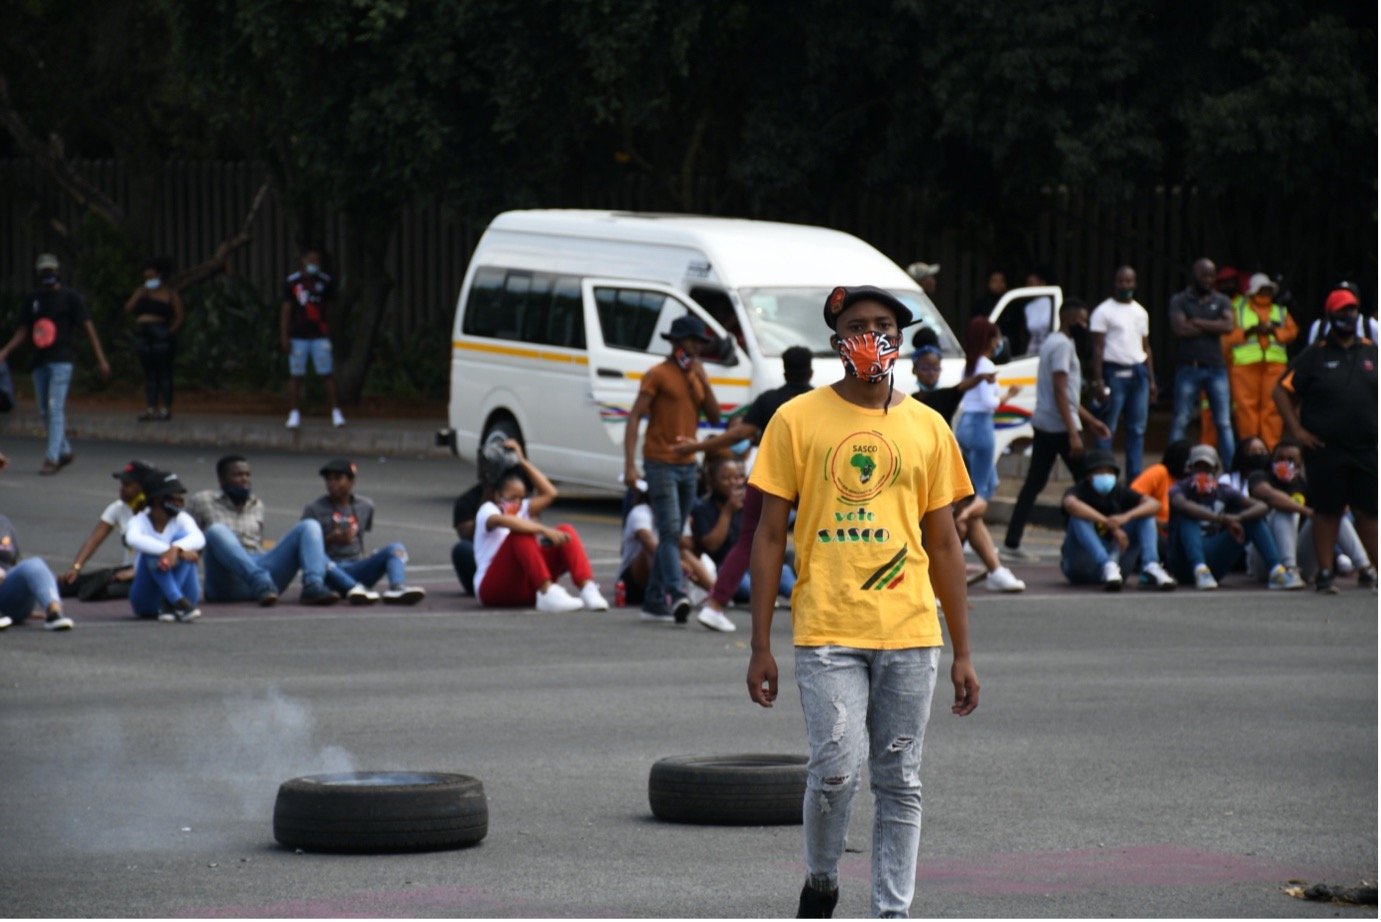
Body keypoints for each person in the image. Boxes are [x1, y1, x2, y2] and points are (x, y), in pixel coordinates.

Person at [746, 285, 978, 919]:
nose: (870, 337)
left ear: (899, 340)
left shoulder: (928, 426)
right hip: (827, 630)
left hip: (910, 632)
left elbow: (946, 544)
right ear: (836, 341)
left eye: (883, 325)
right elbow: (769, 535)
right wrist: (759, 643)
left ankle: (892, 910)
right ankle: (821, 883)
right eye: (856, 326)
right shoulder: (795, 419)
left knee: (900, 781)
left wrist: (963, 651)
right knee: (835, 769)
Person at [669, 346, 815, 631]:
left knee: (748, 541)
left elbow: (738, 434)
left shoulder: (770, 400)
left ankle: (715, 605)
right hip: (810, 483)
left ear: (784, 371)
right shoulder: (819, 401)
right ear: (810, 371)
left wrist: (696, 446)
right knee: (825, 539)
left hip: (767, 479)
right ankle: (820, 611)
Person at [1273, 287, 1378, 594]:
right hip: (1325, 447)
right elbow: (1281, 390)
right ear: (1331, 315)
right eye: (1342, 311)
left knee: (1368, 512)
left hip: (1366, 446)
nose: (1348, 316)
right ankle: (1325, 574)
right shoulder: (1315, 354)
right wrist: (1298, 431)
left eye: (1352, 310)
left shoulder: (1372, 351)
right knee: (1327, 511)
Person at [622, 314, 721, 623]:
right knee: (669, 529)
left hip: (688, 465)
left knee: (673, 533)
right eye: (693, 341)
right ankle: (675, 592)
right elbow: (636, 415)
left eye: (701, 343)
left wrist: (702, 379)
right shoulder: (657, 374)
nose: (697, 348)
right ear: (678, 342)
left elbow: (716, 418)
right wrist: (629, 463)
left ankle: (653, 600)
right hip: (660, 461)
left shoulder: (695, 375)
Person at [912, 333, 1025, 593]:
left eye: (935, 368)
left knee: (970, 517)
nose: (930, 373)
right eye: (925, 368)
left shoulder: (945, 396)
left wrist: (983, 378)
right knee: (926, 525)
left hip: (944, 465)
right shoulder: (906, 400)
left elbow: (963, 386)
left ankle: (995, 570)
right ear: (915, 370)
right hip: (918, 468)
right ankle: (930, 586)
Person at [1002, 299, 1111, 561]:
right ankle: (1101, 537)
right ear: (1070, 319)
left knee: (1034, 484)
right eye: (1082, 321)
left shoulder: (1054, 341)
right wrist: (1074, 432)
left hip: (1046, 424)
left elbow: (1068, 395)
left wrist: (1091, 421)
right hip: (1060, 427)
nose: (1085, 326)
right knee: (1090, 481)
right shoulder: (1062, 345)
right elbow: (1061, 391)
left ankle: (1011, 542)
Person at [0, 253, 112, 475]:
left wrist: (101, 358)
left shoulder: (70, 298)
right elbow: (24, 330)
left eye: (50, 271)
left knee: (55, 407)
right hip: (40, 361)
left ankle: (52, 458)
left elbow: (88, 328)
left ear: (58, 272)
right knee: (44, 410)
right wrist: (5, 350)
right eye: (43, 271)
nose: (47, 275)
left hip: (61, 360)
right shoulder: (33, 300)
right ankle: (65, 450)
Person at [187, 454, 342, 606]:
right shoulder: (202, 501)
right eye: (238, 475)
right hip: (227, 580)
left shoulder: (257, 504)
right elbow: (184, 538)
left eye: (247, 475)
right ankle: (259, 580)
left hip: (264, 580)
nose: (244, 480)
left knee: (309, 525)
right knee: (216, 531)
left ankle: (313, 586)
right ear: (222, 479)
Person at [472, 443, 608, 612]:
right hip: (493, 588)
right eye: (512, 497)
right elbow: (507, 522)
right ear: (498, 495)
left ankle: (587, 588)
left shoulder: (522, 508)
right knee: (520, 534)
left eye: (521, 498)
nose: (517, 502)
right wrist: (543, 530)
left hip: (525, 587)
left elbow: (550, 493)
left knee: (566, 530)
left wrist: (522, 461)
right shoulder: (488, 509)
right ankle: (546, 592)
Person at [1235, 437, 1374, 587]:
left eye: (1291, 459)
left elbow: (1336, 505)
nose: (1285, 463)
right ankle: (1289, 569)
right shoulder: (1261, 477)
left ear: (1300, 464)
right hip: (1268, 563)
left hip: (1303, 560)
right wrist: (1306, 511)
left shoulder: (1307, 484)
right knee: (1287, 510)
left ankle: (1365, 569)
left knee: (1332, 514)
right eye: (1280, 458)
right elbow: (1268, 495)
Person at [1167, 445, 1301, 591]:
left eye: (1207, 468)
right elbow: (1182, 504)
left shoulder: (1223, 491)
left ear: (1216, 469)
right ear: (1190, 469)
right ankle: (1200, 569)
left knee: (1253, 519)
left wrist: (1239, 517)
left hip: (1213, 557)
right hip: (1182, 560)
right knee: (1187, 517)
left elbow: (1262, 506)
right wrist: (1221, 519)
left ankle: (1277, 572)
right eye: (1198, 468)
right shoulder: (1180, 488)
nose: (1203, 473)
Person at [302, 458, 426, 604]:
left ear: (351, 481)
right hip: (331, 571)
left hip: (358, 566)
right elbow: (306, 548)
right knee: (321, 559)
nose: (332, 484)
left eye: (337, 479)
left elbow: (361, 536)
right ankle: (354, 588)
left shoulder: (365, 506)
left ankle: (397, 587)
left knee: (397, 548)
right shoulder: (314, 509)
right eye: (328, 480)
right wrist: (331, 538)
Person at [687, 457, 795, 614]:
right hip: (722, 567)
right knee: (743, 580)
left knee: (782, 571)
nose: (733, 483)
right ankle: (762, 598)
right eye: (726, 478)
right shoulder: (703, 508)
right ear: (712, 481)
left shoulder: (748, 503)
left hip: (754, 563)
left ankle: (798, 599)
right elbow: (712, 545)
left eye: (737, 477)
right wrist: (728, 511)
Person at [1060, 449, 1177, 591]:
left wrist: (1125, 517)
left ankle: (1151, 565)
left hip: (1118, 565)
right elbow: (1070, 504)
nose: (1106, 476)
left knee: (1145, 514)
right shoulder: (1079, 491)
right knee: (1077, 518)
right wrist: (1110, 525)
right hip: (1081, 564)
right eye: (1100, 472)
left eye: (1109, 472)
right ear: (1089, 476)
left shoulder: (1119, 491)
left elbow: (1154, 504)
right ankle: (1106, 564)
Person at [1089, 265, 1157, 479]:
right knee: (1107, 428)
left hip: (1139, 374)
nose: (1125, 285)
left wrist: (1152, 380)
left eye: (1129, 281)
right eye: (1121, 281)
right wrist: (1098, 380)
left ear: (1135, 284)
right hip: (1113, 373)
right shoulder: (1103, 311)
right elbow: (1097, 348)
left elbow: (1146, 347)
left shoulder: (1141, 312)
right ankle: (1103, 474)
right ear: (1115, 283)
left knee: (1137, 429)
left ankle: (1134, 479)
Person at [1167, 258, 1236, 464]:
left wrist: (1196, 322)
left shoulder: (1222, 299)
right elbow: (1180, 329)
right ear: (1193, 274)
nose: (1208, 279)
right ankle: (1172, 466)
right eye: (1203, 274)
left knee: (1223, 422)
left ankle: (1232, 471)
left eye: (1211, 274)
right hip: (1189, 367)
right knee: (1181, 419)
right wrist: (1213, 324)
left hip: (1216, 367)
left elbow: (1228, 326)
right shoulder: (1179, 300)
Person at [58, 460, 155, 601]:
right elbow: (94, 538)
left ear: (143, 488)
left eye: (127, 485)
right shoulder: (118, 508)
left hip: (151, 571)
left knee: (105, 590)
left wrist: (136, 572)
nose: (121, 489)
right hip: (125, 570)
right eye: (121, 484)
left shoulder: (156, 512)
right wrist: (75, 568)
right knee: (65, 586)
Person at [1222, 273, 1298, 448]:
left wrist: (1274, 332)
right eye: (1263, 289)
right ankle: (1250, 450)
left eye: (1268, 289)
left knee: (1273, 409)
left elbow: (1292, 332)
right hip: (1244, 367)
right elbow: (1226, 338)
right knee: (1246, 410)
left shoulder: (1280, 311)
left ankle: (1270, 451)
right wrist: (1249, 332)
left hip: (1274, 366)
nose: (1266, 293)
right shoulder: (1237, 309)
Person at [125, 470, 206, 621]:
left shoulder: (182, 519)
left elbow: (199, 538)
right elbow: (133, 539)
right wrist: (174, 552)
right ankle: (175, 600)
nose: (180, 502)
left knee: (182, 539)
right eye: (174, 498)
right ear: (157, 499)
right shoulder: (139, 521)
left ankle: (171, 602)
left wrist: (176, 549)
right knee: (150, 549)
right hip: (148, 601)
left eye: (181, 498)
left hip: (188, 595)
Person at [280, 248, 345, 430]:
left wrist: (330, 331)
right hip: (298, 335)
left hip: (320, 335)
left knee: (327, 373)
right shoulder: (293, 282)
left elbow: (331, 309)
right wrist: (285, 335)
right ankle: (294, 413)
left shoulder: (325, 282)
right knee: (296, 375)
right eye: (310, 259)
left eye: (317, 260)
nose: (313, 263)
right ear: (303, 260)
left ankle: (336, 412)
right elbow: (286, 310)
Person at [122, 257, 184, 422]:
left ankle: (166, 408)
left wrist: (170, 332)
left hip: (161, 332)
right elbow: (128, 308)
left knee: (164, 372)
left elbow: (179, 316)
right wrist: (139, 295)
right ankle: (151, 407)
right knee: (149, 373)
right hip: (143, 332)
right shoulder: (141, 292)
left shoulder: (170, 294)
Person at [0, 512, 73, 632]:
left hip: (5, 593)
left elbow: (15, 562)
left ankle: (54, 612)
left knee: (34, 564)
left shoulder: (2, 523)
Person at [1130, 439, 1193, 552]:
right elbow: (1130, 499)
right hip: (1153, 533)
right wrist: (1159, 522)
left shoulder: (1192, 483)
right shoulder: (1160, 472)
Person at [1020, 266, 1056, 356]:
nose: (1029, 287)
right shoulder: (1028, 307)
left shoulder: (1052, 304)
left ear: (1042, 284)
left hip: (1050, 349)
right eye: (1028, 284)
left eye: (1032, 283)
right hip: (1033, 351)